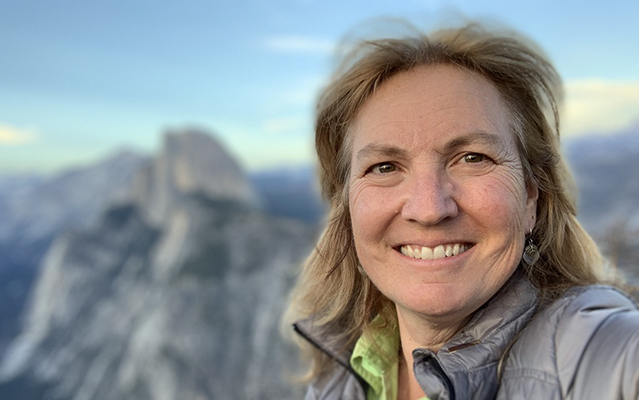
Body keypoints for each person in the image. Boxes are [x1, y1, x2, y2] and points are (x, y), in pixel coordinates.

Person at [284, 21, 639, 400]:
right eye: (384, 167)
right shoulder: (340, 375)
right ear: (350, 209)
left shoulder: (598, 348)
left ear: (530, 199)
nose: (429, 208)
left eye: (472, 158)